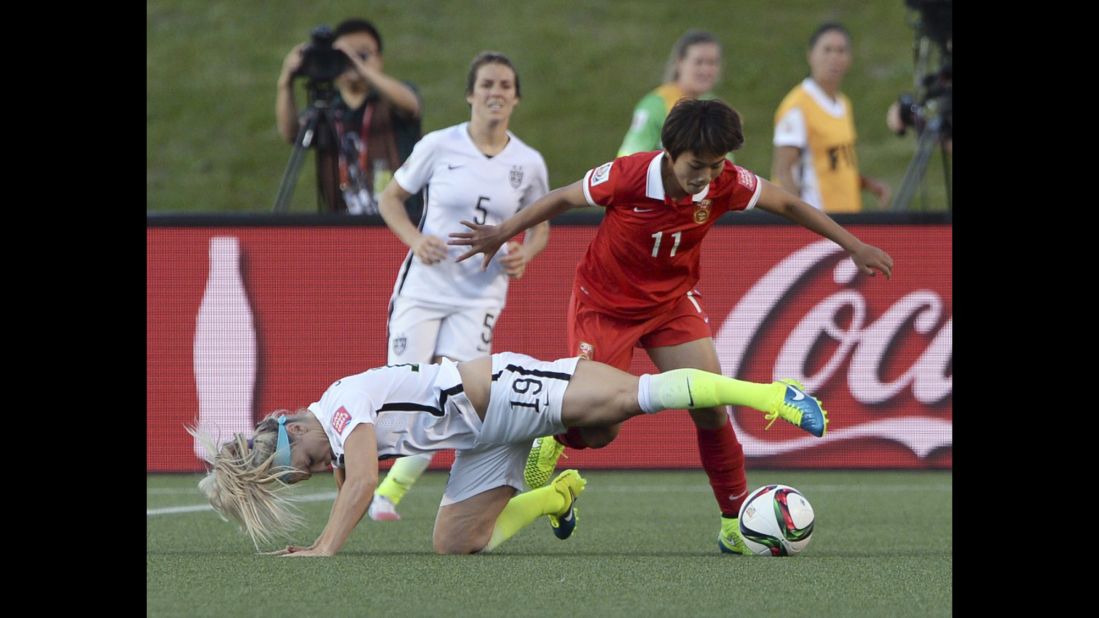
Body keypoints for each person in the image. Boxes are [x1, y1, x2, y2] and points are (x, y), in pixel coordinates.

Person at [449, 98, 892, 555]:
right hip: (604, 307)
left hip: (671, 304)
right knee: (601, 430)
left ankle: (732, 523)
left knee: (712, 408)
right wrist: (504, 231)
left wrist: (852, 244)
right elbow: (562, 197)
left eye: (717, 164)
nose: (707, 175)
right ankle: (555, 435)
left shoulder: (724, 182)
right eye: (697, 165)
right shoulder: (629, 176)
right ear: (670, 152)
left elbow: (787, 202)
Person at [189, 351, 828, 555]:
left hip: (504, 390)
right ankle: (554, 494)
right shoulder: (328, 429)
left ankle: (771, 393)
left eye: (289, 466)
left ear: (290, 431)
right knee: (457, 543)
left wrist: (325, 550)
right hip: (481, 436)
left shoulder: (337, 408)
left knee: (635, 399)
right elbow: (347, 478)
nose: (301, 472)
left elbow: (360, 484)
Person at [368, 52, 551, 521]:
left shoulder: (528, 163)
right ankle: (362, 474)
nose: (496, 92)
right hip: (425, 287)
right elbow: (390, 198)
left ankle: (390, 491)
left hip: (480, 295)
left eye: (506, 85)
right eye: (487, 84)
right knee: (404, 385)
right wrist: (415, 239)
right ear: (471, 94)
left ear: (516, 98)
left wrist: (523, 255)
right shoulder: (439, 145)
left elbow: (541, 226)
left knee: (454, 391)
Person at [276, 18, 422, 214]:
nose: (353, 61)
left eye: (363, 54)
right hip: (344, 226)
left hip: (401, 222)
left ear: (380, 59)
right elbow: (291, 133)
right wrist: (285, 82)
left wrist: (361, 69)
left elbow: (410, 104)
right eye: (345, 55)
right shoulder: (326, 106)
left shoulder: (389, 99)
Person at [771, 22, 890, 212]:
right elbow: (784, 170)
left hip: (845, 218)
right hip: (819, 221)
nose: (834, 57)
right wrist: (799, 219)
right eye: (827, 50)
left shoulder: (843, 103)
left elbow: (834, 161)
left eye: (841, 51)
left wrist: (867, 184)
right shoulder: (797, 106)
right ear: (811, 55)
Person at [617, 30, 722, 157]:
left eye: (712, 63)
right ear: (680, 62)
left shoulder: (714, 105)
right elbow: (628, 158)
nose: (706, 70)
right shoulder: (655, 106)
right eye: (699, 62)